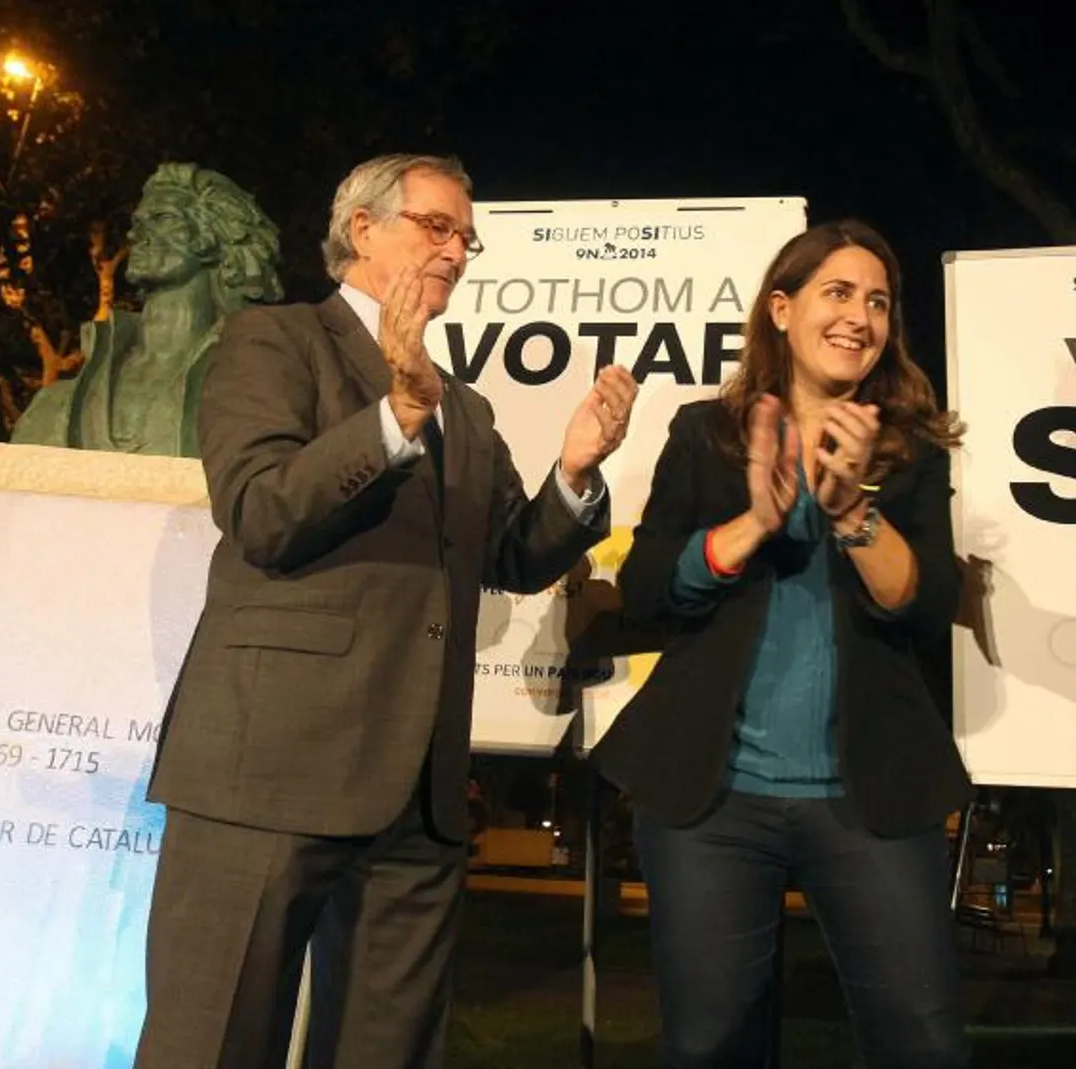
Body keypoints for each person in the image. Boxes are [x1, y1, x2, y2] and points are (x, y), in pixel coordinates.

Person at [134, 153, 639, 1069]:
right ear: (362, 230)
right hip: (270, 768)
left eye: (467, 237)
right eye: (436, 226)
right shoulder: (272, 341)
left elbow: (511, 559)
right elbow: (260, 510)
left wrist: (575, 471)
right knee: (212, 1045)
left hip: (420, 797)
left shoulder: (471, 412)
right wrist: (395, 417)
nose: (457, 250)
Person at [593, 219, 972, 1068]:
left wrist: (850, 513)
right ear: (781, 308)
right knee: (708, 1047)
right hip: (711, 805)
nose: (860, 316)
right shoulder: (704, 435)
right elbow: (650, 591)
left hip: (870, 799)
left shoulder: (907, 448)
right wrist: (753, 524)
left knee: (923, 1043)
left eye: (878, 301)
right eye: (837, 292)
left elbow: (924, 602)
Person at [12, 162, 284, 456]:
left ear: (220, 237)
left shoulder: (268, 395)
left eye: (163, 218)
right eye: (138, 223)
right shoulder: (53, 408)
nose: (136, 234)